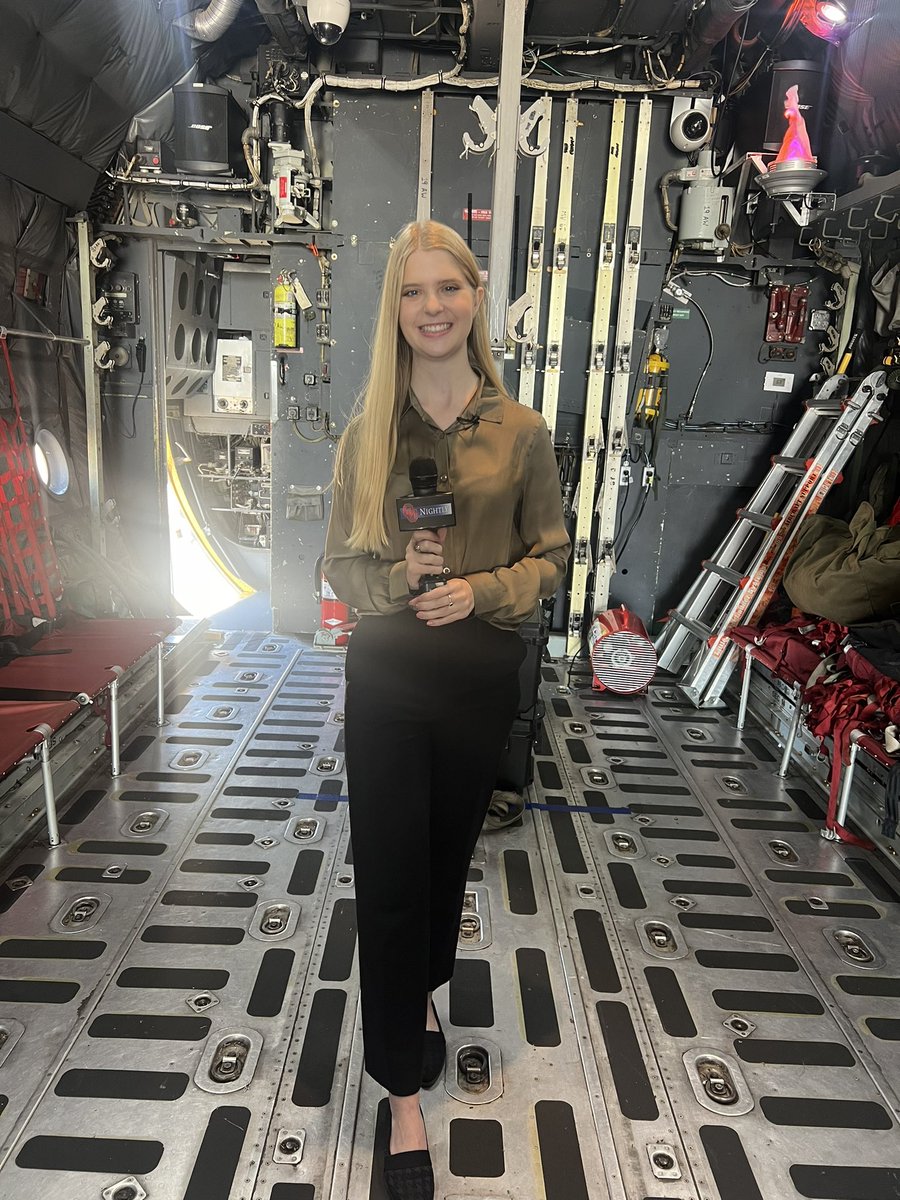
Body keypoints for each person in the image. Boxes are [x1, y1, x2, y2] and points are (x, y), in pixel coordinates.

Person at [323, 219, 570, 1200]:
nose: (433, 307)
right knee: (388, 873)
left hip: (474, 675)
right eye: (414, 292)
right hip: (387, 670)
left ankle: (420, 997)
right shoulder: (367, 433)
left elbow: (551, 559)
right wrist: (397, 575)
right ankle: (401, 1093)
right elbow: (337, 562)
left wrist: (478, 591)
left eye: (449, 289)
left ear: (474, 300)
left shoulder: (522, 434)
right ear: (396, 309)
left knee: (441, 864)